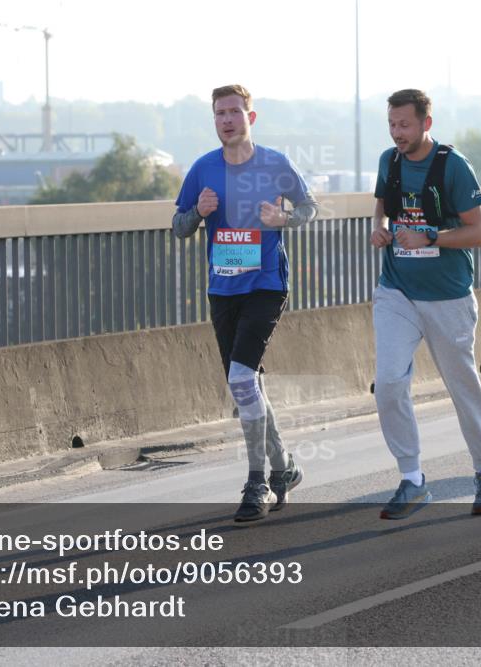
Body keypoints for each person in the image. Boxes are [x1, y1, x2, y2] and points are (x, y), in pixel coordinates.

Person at [172, 84, 319, 523]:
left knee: (240, 379)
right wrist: (197, 212)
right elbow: (178, 228)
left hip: (266, 285)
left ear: (250, 118)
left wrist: (286, 218)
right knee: (248, 384)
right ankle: (285, 468)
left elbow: (309, 207)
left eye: (235, 112)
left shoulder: (275, 164)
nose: (227, 120)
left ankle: (256, 481)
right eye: (220, 113)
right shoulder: (202, 169)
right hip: (223, 289)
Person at [370, 88, 481, 520]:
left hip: (447, 296)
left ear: (427, 122)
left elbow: (478, 234)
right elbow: (382, 210)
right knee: (389, 383)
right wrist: (381, 229)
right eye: (392, 124)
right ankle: (412, 479)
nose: (397, 133)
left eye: (404, 124)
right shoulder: (388, 161)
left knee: (462, 387)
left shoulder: (453, 166)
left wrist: (431, 238)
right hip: (397, 291)